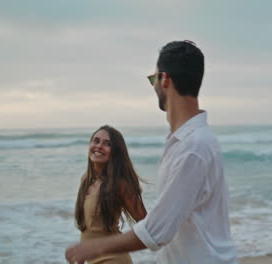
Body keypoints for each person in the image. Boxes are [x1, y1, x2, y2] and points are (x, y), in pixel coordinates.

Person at [66, 40, 238, 264]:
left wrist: (95, 248)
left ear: (164, 79)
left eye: (153, 79)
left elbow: (157, 230)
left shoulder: (192, 148)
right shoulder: (182, 143)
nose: (154, 85)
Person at [73, 125, 147, 264]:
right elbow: (88, 230)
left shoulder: (120, 184)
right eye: (96, 141)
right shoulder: (86, 180)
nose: (99, 146)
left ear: (115, 152)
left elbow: (146, 224)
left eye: (107, 144)